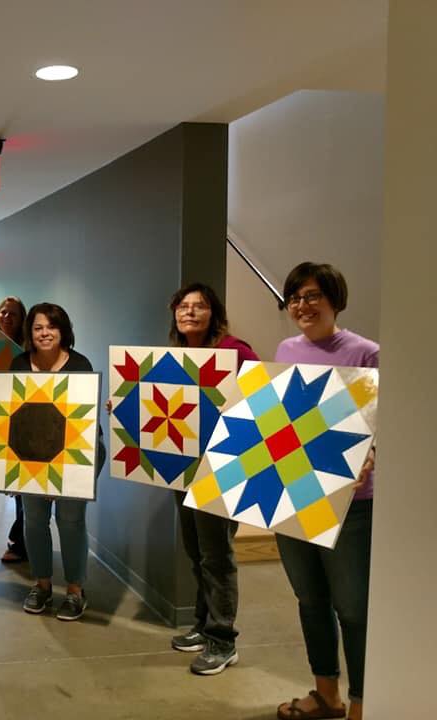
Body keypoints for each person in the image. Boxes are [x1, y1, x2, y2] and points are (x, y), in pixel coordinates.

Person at [274, 263, 378, 720]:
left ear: (335, 298)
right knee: (310, 599)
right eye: (295, 297)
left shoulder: (364, 353)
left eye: (312, 295)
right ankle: (326, 695)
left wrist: (373, 452)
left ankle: (362, 703)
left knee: (353, 608)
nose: (302, 305)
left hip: (351, 503)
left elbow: (383, 423)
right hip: (293, 493)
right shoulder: (285, 348)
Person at [167, 282, 259, 675]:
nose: (189, 312)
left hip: (222, 470)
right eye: (183, 306)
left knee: (217, 556)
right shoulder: (176, 355)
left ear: (213, 312)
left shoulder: (235, 352)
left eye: (199, 306)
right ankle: (204, 627)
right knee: (196, 552)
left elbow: (262, 400)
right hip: (182, 468)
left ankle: (223, 640)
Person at [13, 302, 104, 621]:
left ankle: (76, 591)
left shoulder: (80, 365)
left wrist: (59, 474)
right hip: (29, 457)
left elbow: (85, 424)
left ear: (63, 331)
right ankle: (42, 585)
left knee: (70, 521)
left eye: (51, 327)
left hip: (74, 457)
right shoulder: (19, 364)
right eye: (38, 328)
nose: (44, 333)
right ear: (30, 333)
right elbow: (11, 418)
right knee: (34, 521)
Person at [0, 296, 29, 564]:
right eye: (3, 312)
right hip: (1, 426)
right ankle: (22, 541)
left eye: (13, 314)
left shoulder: (29, 351)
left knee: (24, 489)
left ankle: (21, 543)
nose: (6, 317)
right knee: (16, 488)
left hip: (24, 425)